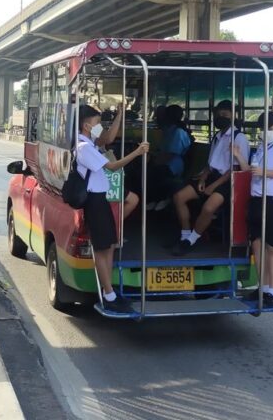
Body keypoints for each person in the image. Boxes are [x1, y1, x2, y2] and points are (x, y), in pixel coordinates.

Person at [76, 105, 149, 313]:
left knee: (109, 246)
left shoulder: (90, 143)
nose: (99, 126)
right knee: (101, 249)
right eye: (97, 123)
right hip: (94, 201)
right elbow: (112, 166)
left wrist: (119, 115)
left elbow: (107, 138)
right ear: (86, 125)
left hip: (101, 199)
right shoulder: (84, 147)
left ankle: (110, 292)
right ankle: (108, 295)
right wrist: (137, 152)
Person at [231, 111, 273, 309]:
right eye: (262, 128)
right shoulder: (261, 148)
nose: (265, 131)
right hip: (257, 201)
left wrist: (266, 172)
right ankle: (262, 288)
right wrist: (238, 156)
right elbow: (251, 171)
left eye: (269, 127)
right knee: (257, 244)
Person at [171, 100, 249, 256]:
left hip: (227, 181)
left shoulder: (239, 138)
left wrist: (213, 186)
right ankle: (184, 235)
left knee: (209, 207)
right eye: (218, 115)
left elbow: (234, 169)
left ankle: (191, 240)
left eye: (224, 114)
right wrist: (202, 179)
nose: (220, 118)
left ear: (233, 116)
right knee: (179, 197)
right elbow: (210, 163)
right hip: (211, 176)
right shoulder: (217, 136)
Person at [147, 104, 191, 211]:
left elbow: (171, 154)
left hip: (173, 166)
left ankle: (164, 198)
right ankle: (153, 199)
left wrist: (155, 162)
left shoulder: (178, 132)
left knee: (153, 172)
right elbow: (162, 150)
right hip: (164, 162)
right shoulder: (168, 130)